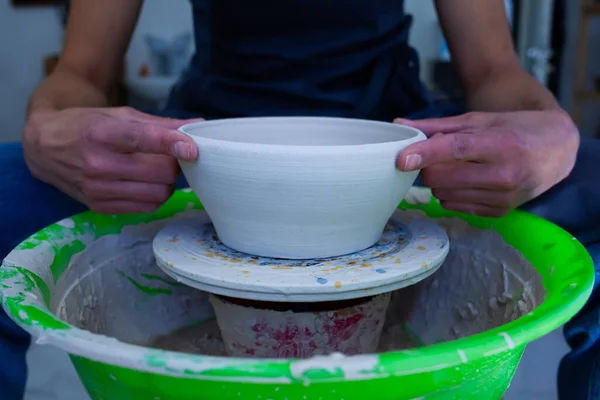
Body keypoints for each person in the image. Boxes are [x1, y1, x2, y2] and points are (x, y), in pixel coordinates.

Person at [0, 0, 598, 399]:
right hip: (204, 143)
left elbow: (494, 69)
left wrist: (552, 130)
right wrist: (46, 125)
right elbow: (80, 71)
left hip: (395, 138)